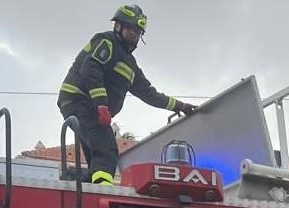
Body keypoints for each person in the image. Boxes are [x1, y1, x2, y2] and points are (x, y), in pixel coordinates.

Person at [57, 5, 197, 185]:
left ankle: (75, 177)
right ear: (118, 26)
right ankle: (103, 193)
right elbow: (91, 68)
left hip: (87, 107)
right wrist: (101, 104)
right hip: (80, 101)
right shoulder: (107, 41)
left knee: (97, 160)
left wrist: (180, 106)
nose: (134, 35)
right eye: (131, 29)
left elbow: (149, 94)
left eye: (138, 32)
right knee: (107, 153)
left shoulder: (130, 64)